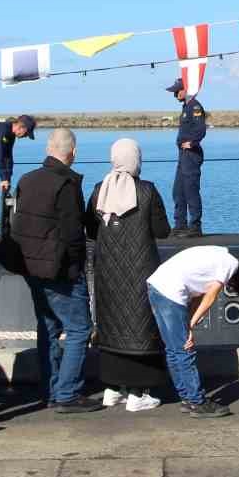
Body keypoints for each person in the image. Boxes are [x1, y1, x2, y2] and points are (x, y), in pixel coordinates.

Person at [11, 127, 98, 413]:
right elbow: (73, 234)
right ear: (72, 152)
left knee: (47, 328)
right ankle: (67, 394)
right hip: (60, 270)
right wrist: (76, 269)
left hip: (30, 267)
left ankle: (51, 389)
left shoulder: (26, 180)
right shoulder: (66, 184)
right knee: (79, 329)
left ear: (48, 149)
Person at [85, 137, 171, 413]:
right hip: (140, 270)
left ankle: (113, 388)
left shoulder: (100, 190)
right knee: (141, 327)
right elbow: (162, 230)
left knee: (111, 324)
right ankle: (138, 392)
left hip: (107, 271)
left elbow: (90, 229)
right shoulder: (147, 191)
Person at [146, 245, 239, 418]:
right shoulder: (229, 265)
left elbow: (199, 295)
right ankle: (197, 402)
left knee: (174, 349)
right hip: (171, 291)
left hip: (157, 285)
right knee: (184, 350)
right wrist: (190, 325)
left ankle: (187, 399)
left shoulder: (220, 256)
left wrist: (189, 323)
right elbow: (210, 297)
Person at [168, 80, 208, 237]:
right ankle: (180, 225)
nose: (174, 94)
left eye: (177, 91)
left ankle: (195, 227)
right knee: (178, 191)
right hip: (182, 156)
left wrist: (191, 143)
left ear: (185, 90)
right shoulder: (186, 107)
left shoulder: (195, 106)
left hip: (191, 155)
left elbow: (201, 129)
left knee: (191, 191)